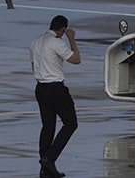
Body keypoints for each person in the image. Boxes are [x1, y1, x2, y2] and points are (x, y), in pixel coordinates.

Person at [31, 15, 81, 178]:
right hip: (55, 88)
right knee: (70, 123)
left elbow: (33, 65)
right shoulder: (56, 42)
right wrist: (72, 39)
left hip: (40, 88)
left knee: (47, 127)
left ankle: (45, 168)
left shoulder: (36, 41)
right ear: (63, 29)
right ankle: (49, 158)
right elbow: (76, 59)